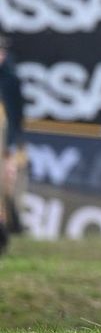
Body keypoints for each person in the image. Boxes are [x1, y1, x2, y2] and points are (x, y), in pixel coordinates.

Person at [0, 34, 26, 237]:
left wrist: (13, 145)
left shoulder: (11, 77)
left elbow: (17, 115)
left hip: (7, 139)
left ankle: (13, 225)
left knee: (10, 181)